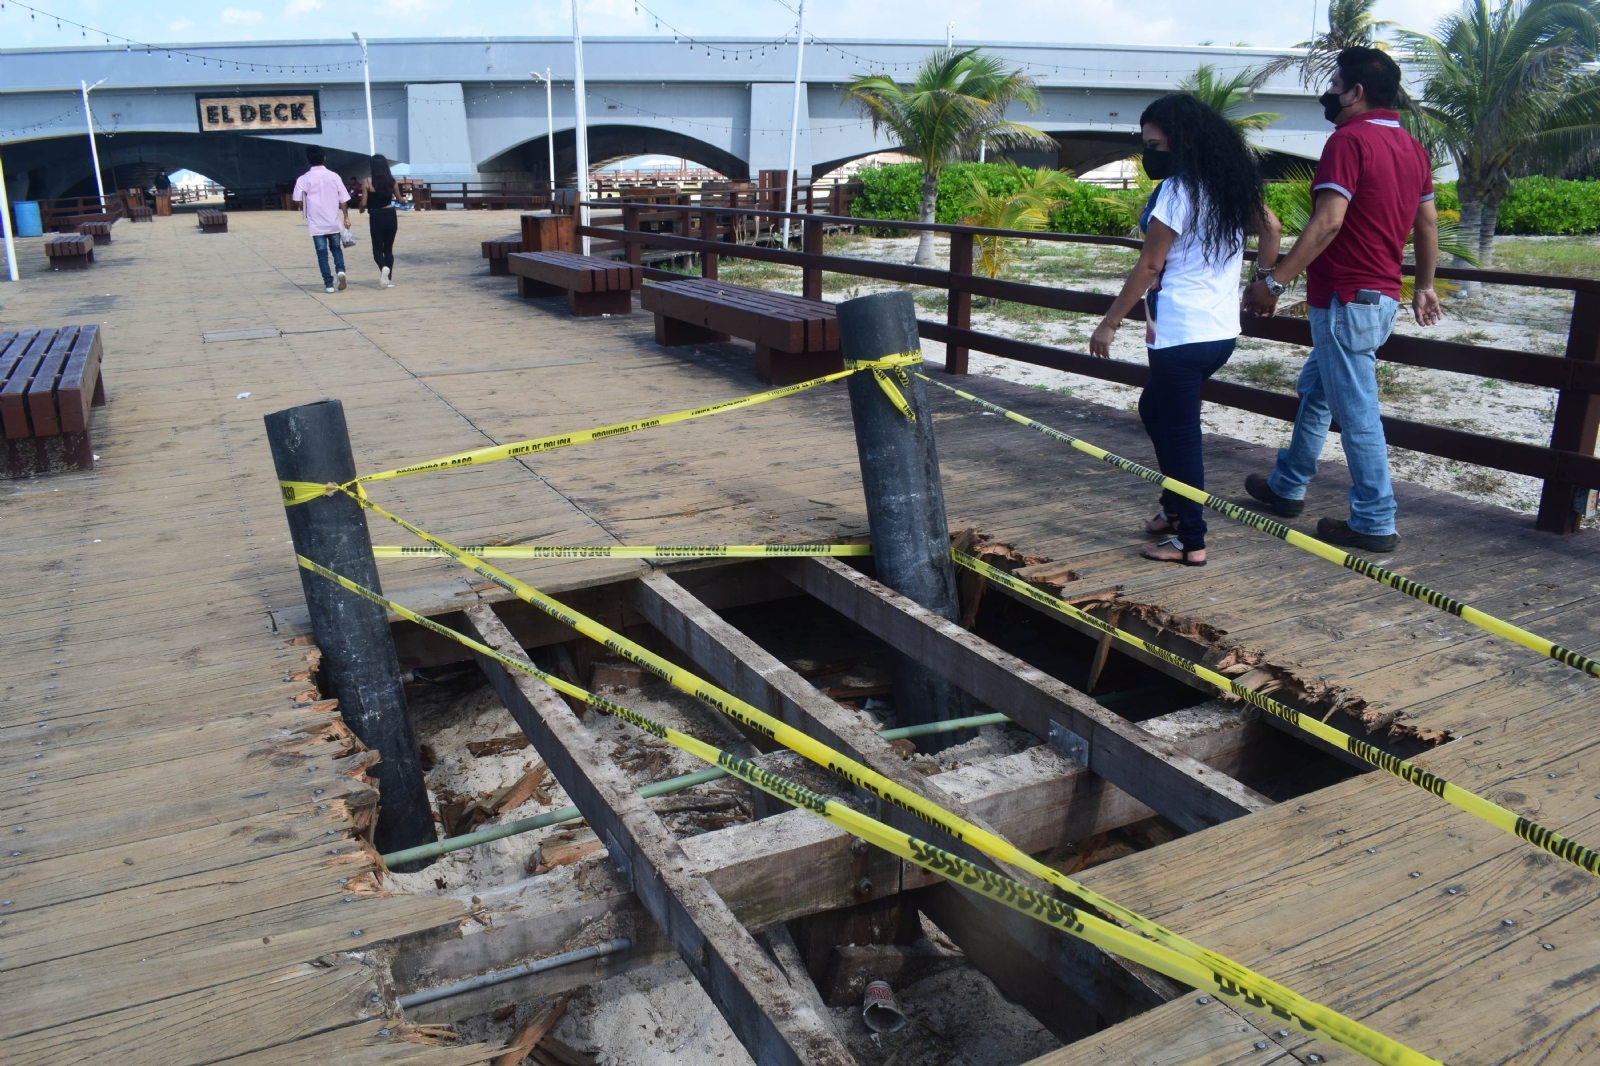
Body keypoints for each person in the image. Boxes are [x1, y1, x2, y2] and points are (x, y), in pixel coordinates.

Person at [1242, 46, 1443, 554]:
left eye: (1334, 86)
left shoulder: (1348, 141)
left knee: (1357, 414)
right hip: (1379, 300)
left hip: (1345, 300)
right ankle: (1288, 486)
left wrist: (1276, 282)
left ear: (1355, 92)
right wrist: (1423, 285)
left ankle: (1375, 521)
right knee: (1317, 390)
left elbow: (1328, 221)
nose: (1328, 95)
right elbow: (1427, 223)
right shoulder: (1413, 149)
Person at [1089, 93, 1282, 566]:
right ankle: (1174, 507)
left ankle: (1190, 540)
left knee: (1181, 433)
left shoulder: (1177, 191)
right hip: (1219, 334)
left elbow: (1150, 264)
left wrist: (1110, 323)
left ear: (1182, 143)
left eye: (1154, 145)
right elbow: (1273, 230)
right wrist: (1264, 281)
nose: (1148, 154)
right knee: (1154, 409)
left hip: (1180, 335)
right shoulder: (1230, 184)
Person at [291, 146, 350, 293]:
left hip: (316, 223)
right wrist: (346, 217)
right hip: (333, 221)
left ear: (309, 160)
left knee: (321, 253)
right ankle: (341, 271)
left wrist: (307, 206)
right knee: (336, 248)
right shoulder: (334, 176)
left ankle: (328, 284)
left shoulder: (303, 179)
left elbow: (297, 200)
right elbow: (343, 200)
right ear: (324, 158)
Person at [358, 154, 400, 288]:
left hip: (376, 216)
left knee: (377, 249)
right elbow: (400, 200)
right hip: (390, 214)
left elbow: (363, 203)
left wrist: (361, 209)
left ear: (372, 166)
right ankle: (389, 280)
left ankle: (383, 268)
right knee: (388, 249)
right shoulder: (392, 181)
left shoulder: (367, 182)